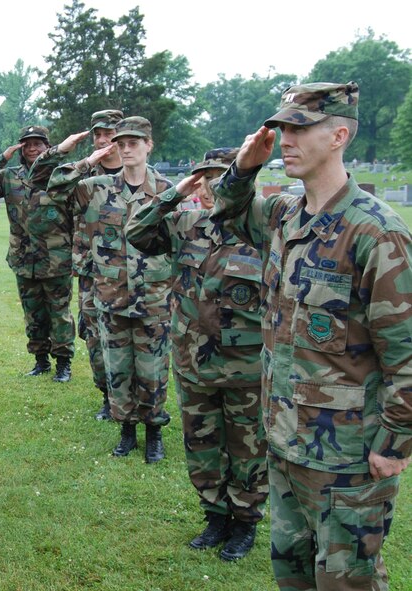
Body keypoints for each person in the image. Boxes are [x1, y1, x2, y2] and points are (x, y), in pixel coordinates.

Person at [212, 82, 412, 589]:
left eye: (299, 129)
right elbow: (227, 214)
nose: (285, 140)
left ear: (339, 135)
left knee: (349, 582)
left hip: (346, 456)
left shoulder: (375, 233)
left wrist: (393, 444)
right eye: (282, 129)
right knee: (294, 575)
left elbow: (408, 355)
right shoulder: (286, 215)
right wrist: (244, 168)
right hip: (284, 439)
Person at [126, 148, 268, 561]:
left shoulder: (263, 230)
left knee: (247, 447)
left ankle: (244, 522)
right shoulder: (188, 224)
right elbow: (137, 232)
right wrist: (173, 195)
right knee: (201, 443)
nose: (209, 187)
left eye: (218, 178)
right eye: (203, 178)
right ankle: (214, 516)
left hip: (247, 367)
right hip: (193, 362)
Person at [48, 116, 173, 463]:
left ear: (149, 145)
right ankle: (126, 431)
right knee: (117, 369)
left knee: (153, 370)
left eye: (135, 142)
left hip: (154, 297)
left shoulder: (166, 190)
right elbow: (52, 185)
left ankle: (153, 434)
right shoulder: (97, 187)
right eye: (121, 142)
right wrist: (88, 160)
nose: (127, 148)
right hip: (110, 295)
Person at [33, 109, 124, 417]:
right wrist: (65, 152)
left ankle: (132, 401)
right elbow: (40, 179)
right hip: (92, 270)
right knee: (95, 338)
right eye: (98, 134)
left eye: (109, 134)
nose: (103, 140)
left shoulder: (138, 171)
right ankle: (107, 397)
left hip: (132, 272)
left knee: (131, 338)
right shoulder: (81, 176)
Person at [0, 126, 75, 382]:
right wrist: (2, 158)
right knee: (33, 314)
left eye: (38, 144)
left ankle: (63, 364)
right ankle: (41, 361)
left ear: (47, 147)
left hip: (56, 259)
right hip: (23, 259)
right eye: (27, 144)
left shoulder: (61, 175)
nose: (32, 149)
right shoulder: (9, 176)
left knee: (59, 312)